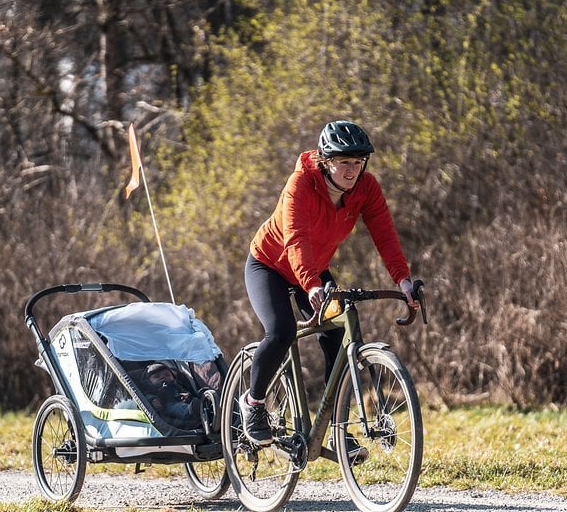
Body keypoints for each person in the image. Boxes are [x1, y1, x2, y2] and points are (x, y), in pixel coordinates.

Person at [240, 120, 418, 452]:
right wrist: (309, 284)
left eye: (358, 162)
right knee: (280, 331)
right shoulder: (300, 185)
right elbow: (296, 239)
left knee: (337, 333)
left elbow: (385, 235)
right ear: (326, 160)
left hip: (314, 271)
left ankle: (336, 427)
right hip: (270, 266)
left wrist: (403, 280)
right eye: (343, 162)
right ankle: (253, 404)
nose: (352, 170)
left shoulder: (366, 188)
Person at [142, 362, 200, 429]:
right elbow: (147, 397)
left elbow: (184, 391)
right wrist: (153, 400)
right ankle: (190, 410)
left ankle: (204, 400)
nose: (163, 377)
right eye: (157, 376)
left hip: (182, 401)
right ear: (149, 381)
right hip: (166, 405)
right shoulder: (152, 390)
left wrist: (186, 395)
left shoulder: (177, 385)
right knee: (177, 408)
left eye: (167, 375)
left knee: (193, 398)